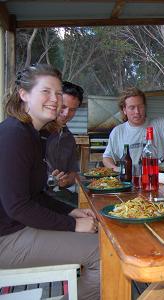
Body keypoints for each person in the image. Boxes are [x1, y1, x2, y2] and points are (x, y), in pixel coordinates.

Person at [0, 64, 100, 300]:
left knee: (97, 238)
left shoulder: (33, 134)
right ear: (23, 94)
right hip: (6, 237)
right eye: (46, 91)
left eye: (57, 93)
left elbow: (37, 195)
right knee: (105, 253)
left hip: (16, 227)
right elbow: (18, 207)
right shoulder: (13, 135)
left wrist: (72, 211)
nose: (54, 99)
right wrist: (72, 225)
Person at [103, 87, 164, 170]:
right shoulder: (118, 132)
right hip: (132, 180)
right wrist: (116, 169)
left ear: (145, 107)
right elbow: (107, 157)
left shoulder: (159, 124)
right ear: (124, 110)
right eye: (132, 108)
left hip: (161, 178)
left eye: (140, 106)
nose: (137, 112)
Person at [41, 81, 84, 207]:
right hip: (35, 198)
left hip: (57, 195)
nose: (66, 114)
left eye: (72, 110)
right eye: (63, 106)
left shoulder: (69, 138)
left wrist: (65, 181)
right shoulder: (36, 131)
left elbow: (73, 174)